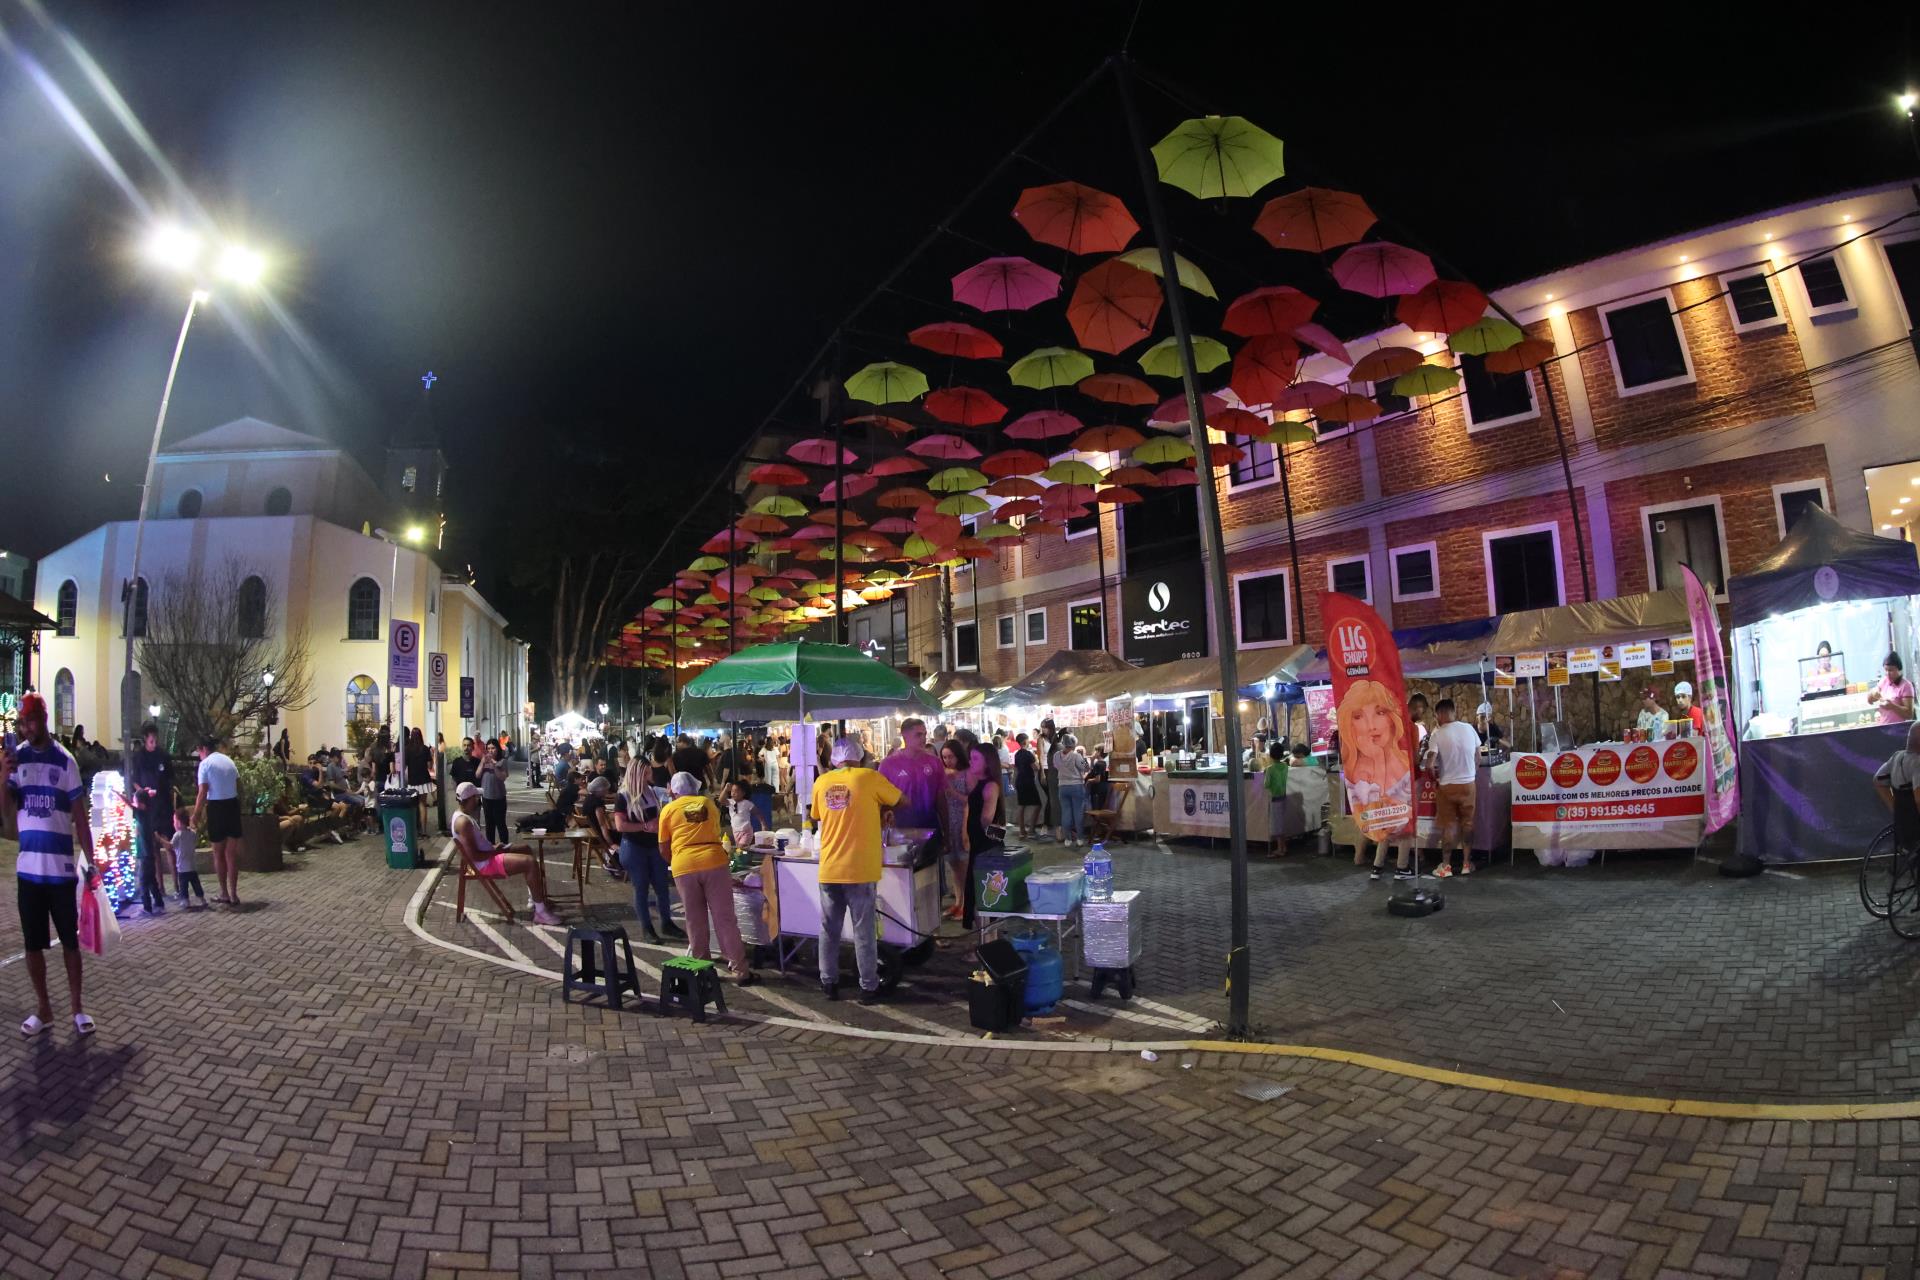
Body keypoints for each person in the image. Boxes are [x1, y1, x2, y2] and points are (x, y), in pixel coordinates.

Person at [1, 693, 97, 1037]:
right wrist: (3, 773)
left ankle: (77, 1008)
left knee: (70, 942)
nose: (27, 729)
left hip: (60, 872)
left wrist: (91, 862)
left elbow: (80, 817)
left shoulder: (65, 761)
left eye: (31, 721)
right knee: (32, 945)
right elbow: (5, 813)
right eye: (22, 723)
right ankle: (44, 1009)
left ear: (43, 719)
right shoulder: (18, 759)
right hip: (28, 871)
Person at [811, 736, 900, 1003]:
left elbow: (817, 815)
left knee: (829, 929)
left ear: (834, 759)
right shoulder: (869, 777)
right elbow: (900, 799)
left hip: (830, 868)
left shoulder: (821, 782)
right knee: (864, 932)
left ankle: (828, 982)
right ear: (859, 757)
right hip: (860, 870)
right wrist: (883, 807)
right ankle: (868, 987)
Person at [658, 772, 753, 982]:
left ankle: (702, 971)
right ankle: (740, 969)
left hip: (684, 865)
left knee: (694, 920)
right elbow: (715, 830)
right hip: (713, 861)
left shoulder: (668, 810)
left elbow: (663, 846)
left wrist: (677, 860)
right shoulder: (707, 803)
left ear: (674, 791)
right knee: (725, 918)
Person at [451, 782, 561, 925]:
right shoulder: (463, 822)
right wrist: (497, 851)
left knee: (526, 849)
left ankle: (535, 900)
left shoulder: (461, 816)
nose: (478, 800)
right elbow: (475, 856)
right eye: (476, 797)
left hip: (488, 855)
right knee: (530, 863)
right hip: (485, 863)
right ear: (470, 799)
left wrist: (494, 848)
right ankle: (540, 912)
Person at [612, 759, 681, 943]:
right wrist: (644, 826)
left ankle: (667, 923)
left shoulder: (650, 791)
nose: (649, 776)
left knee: (662, 886)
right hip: (634, 847)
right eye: (646, 773)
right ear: (636, 774)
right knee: (641, 887)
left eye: (649, 772)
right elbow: (620, 825)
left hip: (654, 845)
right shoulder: (623, 796)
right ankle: (647, 928)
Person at [1426, 699, 1482, 879]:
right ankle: (1466, 864)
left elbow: (1430, 764)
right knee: (1468, 823)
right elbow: (1479, 756)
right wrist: (1472, 773)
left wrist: (1434, 778)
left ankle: (1446, 866)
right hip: (1468, 785)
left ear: (1440, 714)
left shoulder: (1437, 734)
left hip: (1447, 786)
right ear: (1453, 711)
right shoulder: (1469, 729)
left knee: (1448, 825)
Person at [127, 720, 174, 915]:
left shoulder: (163, 756)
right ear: (145, 739)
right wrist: (143, 793)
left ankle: (177, 886)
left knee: (169, 845)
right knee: (152, 849)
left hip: (163, 804)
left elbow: (170, 779)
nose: (154, 742)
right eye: (151, 739)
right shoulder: (139, 758)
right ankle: (159, 888)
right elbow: (134, 781)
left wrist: (166, 794)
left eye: (156, 739)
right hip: (148, 805)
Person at [192, 735, 244, 907]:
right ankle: (234, 894)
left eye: (199, 751)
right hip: (232, 805)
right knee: (231, 854)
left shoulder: (205, 764)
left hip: (216, 807)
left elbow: (203, 791)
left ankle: (224, 893)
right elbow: (239, 786)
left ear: (203, 749)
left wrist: (196, 814)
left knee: (218, 853)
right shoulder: (229, 761)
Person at [959, 741, 1003, 927]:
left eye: (976, 758)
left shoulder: (990, 786)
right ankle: (986, 937)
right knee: (979, 892)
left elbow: (987, 818)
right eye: (971, 758)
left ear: (987, 762)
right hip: (981, 844)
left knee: (982, 893)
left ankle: (987, 938)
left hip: (985, 846)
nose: (971, 762)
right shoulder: (982, 783)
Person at [879, 717, 945, 833]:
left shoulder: (935, 762)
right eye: (918, 735)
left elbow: (941, 799)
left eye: (925, 734)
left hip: (931, 828)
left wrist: (947, 831)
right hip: (899, 831)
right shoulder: (888, 764)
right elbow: (881, 800)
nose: (923, 738)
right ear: (905, 736)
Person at [935, 739, 970, 913]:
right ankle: (958, 902)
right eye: (944, 757)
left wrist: (952, 792)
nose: (947, 761)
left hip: (962, 821)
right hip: (948, 822)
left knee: (963, 865)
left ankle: (966, 904)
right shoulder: (944, 774)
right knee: (954, 865)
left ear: (959, 756)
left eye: (951, 757)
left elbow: (971, 801)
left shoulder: (967, 774)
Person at [1054, 734, 1091, 847]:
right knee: (1078, 812)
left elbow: (1056, 767)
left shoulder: (1056, 755)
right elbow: (1086, 768)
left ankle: (1068, 839)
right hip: (1076, 786)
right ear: (1073, 744)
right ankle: (1079, 839)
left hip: (1062, 786)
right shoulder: (1076, 756)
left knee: (1066, 813)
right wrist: (1085, 761)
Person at [171, 805, 208, 907]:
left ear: (179, 823)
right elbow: (195, 839)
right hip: (192, 866)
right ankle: (201, 899)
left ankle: (185, 900)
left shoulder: (177, 835)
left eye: (174, 821)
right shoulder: (192, 834)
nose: (173, 824)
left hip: (182, 868)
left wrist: (160, 839)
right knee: (196, 884)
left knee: (183, 885)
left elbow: (171, 845)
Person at [475, 741, 509, 845]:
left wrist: (494, 765)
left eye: (493, 748)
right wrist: (482, 763)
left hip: (499, 797)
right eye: (488, 748)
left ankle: (505, 845)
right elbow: (477, 775)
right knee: (489, 824)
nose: (490, 751)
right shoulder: (484, 761)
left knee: (500, 823)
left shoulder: (502, 761)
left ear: (497, 749)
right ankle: (491, 846)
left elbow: (502, 777)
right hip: (486, 797)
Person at [1869, 652, 1915, 724]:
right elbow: (1869, 700)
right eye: (1885, 670)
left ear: (1898, 668)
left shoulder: (1906, 685)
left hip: (1898, 728)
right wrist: (1873, 692)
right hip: (1884, 726)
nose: (1887, 673)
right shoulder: (1884, 681)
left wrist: (1892, 706)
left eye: (1890, 670)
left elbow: (1909, 715)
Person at [1012, 733, 1041, 839]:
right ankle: (1031, 830)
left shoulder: (1017, 754)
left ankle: (1022, 831)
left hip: (1019, 781)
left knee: (1021, 805)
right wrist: (1037, 760)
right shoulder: (1029, 754)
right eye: (1028, 740)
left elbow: (1016, 769)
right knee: (1037, 804)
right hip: (1028, 781)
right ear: (1025, 741)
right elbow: (1036, 768)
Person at [724, 778, 765, 847]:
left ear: (743, 793)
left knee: (741, 847)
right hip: (735, 831)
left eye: (736, 791)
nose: (733, 793)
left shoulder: (747, 803)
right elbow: (721, 800)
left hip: (746, 831)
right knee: (740, 850)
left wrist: (763, 824)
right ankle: (748, 852)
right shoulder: (730, 802)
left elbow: (758, 813)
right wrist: (725, 789)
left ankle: (749, 850)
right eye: (732, 791)